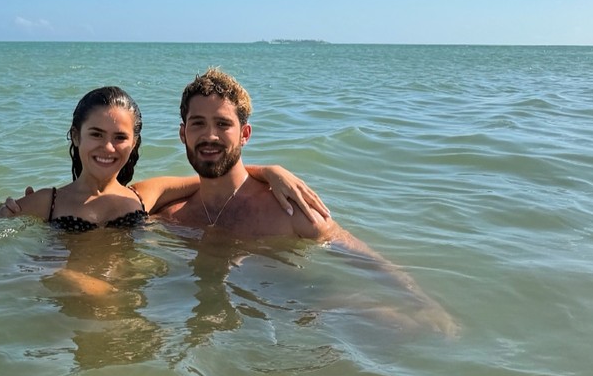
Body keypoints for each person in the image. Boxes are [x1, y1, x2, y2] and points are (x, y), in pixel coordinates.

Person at [154, 68, 459, 335]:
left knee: (399, 326)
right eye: (198, 124)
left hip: (301, 320)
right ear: (183, 133)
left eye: (223, 124)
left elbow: (362, 257)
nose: (210, 135)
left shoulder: (288, 208)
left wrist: (423, 302)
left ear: (245, 134)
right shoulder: (172, 216)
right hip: (212, 332)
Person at [0, 85, 328, 230]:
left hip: (129, 308)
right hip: (69, 310)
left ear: (134, 144)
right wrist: (0, 216)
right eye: (96, 135)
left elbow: (214, 176)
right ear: (76, 137)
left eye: (120, 138)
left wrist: (270, 172)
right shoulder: (46, 203)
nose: (108, 148)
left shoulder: (144, 195)